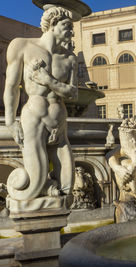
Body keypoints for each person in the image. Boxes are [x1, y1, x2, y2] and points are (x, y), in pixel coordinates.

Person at [5, 5, 77, 201]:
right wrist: (11, 122)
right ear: (53, 24)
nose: (71, 32)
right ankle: (31, 195)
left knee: (67, 182)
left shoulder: (70, 58)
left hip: (59, 123)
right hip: (34, 118)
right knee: (35, 180)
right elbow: (11, 87)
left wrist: (48, 81)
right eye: (67, 26)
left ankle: (54, 206)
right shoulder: (22, 46)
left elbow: (73, 93)